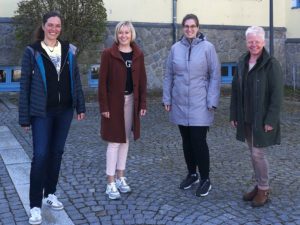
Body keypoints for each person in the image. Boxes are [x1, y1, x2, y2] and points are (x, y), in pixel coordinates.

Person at [18, 11, 86, 224]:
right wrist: (24, 118)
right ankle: (35, 205)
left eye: (57, 25)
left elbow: (75, 79)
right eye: (50, 25)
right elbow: (25, 86)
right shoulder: (32, 51)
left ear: (61, 28)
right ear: (43, 26)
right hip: (41, 112)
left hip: (64, 110)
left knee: (56, 153)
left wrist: (80, 106)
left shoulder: (69, 50)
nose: (54, 29)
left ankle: (50, 194)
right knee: (40, 156)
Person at [163, 14, 220, 197]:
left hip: (200, 103)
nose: (189, 29)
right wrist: (167, 99)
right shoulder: (175, 48)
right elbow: (169, 75)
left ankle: (205, 178)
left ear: (198, 27)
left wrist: (212, 100)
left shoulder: (207, 48)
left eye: (193, 26)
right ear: (182, 28)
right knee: (186, 142)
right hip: (180, 102)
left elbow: (215, 75)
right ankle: (192, 174)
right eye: (186, 26)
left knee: (199, 141)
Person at [230, 26, 283, 207]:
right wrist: (234, 114)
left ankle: (263, 189)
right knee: (252, 154)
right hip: (246, 117)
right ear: (246, 42)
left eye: (257, 41)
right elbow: (236, 91)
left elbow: (277, 96)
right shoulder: (242, 62)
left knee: (258, 154)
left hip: (261, 120)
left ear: (264, 42)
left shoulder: (271, 64)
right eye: (250, 41)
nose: (254, 45)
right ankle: (258, 185)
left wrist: (271, 120)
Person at [98, 21, 147, 200]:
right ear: (117, 34)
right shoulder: (108, 54)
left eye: (127, 32)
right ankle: (110, 182)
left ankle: (121, 177)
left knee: (125, 140)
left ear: (131, 34)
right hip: (113, 104)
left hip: (131, 102)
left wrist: (142, 104)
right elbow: (102, 83)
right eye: (121, 33)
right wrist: (104, 107)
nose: (124, 36)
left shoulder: (138, 54)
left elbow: (142, 81)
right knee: (114, 142)